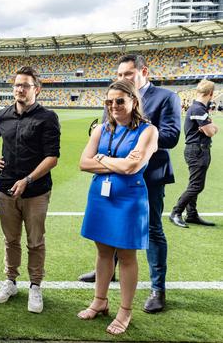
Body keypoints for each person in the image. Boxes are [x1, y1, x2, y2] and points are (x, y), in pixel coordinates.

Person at [78, 54, 180, 315]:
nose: (122, 79)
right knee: (106, 244)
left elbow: (171, 135)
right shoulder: (114, 99)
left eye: (128, 74)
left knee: (151, 231)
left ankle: (157, 288)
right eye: (120, 74)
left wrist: (143, 144)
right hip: (109, 182)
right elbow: (98, 142)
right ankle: (104, 285)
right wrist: (115, 159)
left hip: (148, 176)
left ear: (142, 72)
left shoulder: (165, 97)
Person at [77, 79, 158, 335]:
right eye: (109, 102)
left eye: (120, 101)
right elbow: (83, 163)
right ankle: (99, 302)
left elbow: (132, 168)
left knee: (126, 256)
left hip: (129, 200)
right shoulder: (101, 129)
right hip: (101, 198)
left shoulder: (148, 131)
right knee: (102, 252)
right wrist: (116, 162)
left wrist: (101, 159)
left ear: (134, 101)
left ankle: (125, 310)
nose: (114, 106)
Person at [0, 66, 60, 314]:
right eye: (17, 84)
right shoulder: (3, 114)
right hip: (6, 188)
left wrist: (27, 180)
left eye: (25, 85)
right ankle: (10, 281)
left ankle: (35, 285)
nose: (20, 89)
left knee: (35, 241)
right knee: (10, 240)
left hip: (36, 191)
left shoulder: (47, 117)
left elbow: (52, 157)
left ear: (36, 89)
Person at [169, 80, 219, 227]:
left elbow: (209, 129)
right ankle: (176, 212)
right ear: (211, 94)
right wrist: (212, 127)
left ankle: (191, 214)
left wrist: (210, 127)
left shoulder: (198, 108)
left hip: (197, 149)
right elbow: (211, 131)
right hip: (197, 149)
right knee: (197, 185)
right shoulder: (198, 109)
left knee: (194, 183)